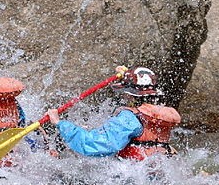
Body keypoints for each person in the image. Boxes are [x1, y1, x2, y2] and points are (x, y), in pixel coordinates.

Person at [46, 66, 181, 160]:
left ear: (130, 95)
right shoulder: (160, 115)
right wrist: (128, 74)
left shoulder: (129, 119)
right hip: (154, 175)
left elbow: (93, 145)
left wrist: (60, 123)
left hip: (128, 181)